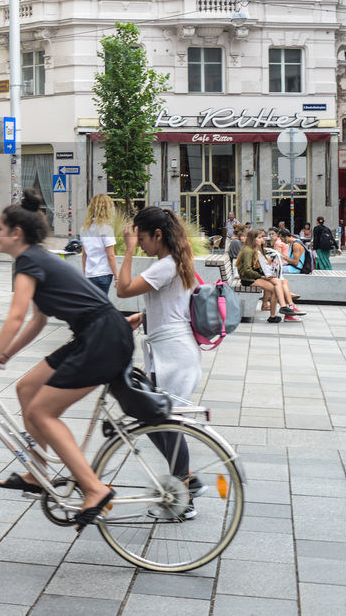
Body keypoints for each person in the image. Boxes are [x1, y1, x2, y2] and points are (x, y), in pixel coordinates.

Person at [0, 190, 133, 530]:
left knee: (42, 411)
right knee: (26, 389)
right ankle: (37, 472)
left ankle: (94, 489)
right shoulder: (34, 259)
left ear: (17, 234)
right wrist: (5, 355)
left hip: (102, 338)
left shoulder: (29, 261)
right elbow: (37, 320)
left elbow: (15, 316)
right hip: (93, 334)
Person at [115, 206, 207, 519]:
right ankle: (185, 484)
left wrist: (125, 251)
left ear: (157, 235)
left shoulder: (166, 265)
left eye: (141, 237)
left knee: (166, 423)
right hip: (171, 352)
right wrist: (144, 317)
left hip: (174, 356)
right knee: (157, 420)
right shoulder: (174, 262)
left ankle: (184, 494)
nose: (138, 242)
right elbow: (174, 305)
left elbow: (123, 289)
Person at [236, 230, 282, 322]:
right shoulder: (248, 250)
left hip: (252, 277)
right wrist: (261, 277)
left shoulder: (252, 249)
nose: (262, 239)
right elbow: (247, 270)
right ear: (253, 239)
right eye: (259, 237)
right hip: (248, 279)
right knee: (275, 289)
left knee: (277, 285)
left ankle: (275, 314)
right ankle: (273, 316)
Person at [80, 194, 118, 295]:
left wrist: (85, 274)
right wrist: (117, 276)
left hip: (90, 274)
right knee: (102, 304)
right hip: (104, 273)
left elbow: (84, 255)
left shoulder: (84, 229)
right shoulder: (107, 229)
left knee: (92, 303)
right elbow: (111, 256)